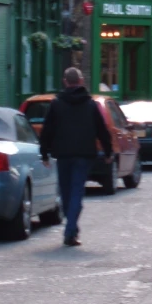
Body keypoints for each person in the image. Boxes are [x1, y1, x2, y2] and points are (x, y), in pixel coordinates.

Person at [40, 67, 113, 247]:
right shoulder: (90, 105)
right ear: (80, 82)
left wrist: (44, 153)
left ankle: (70, 228)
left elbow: (47, 129)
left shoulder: (57, 104)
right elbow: (102, 129)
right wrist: (108, 151)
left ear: (65, 81)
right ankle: (70, 230)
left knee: (66, 192)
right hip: (84, 154)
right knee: (77, 192)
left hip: (63, 154)